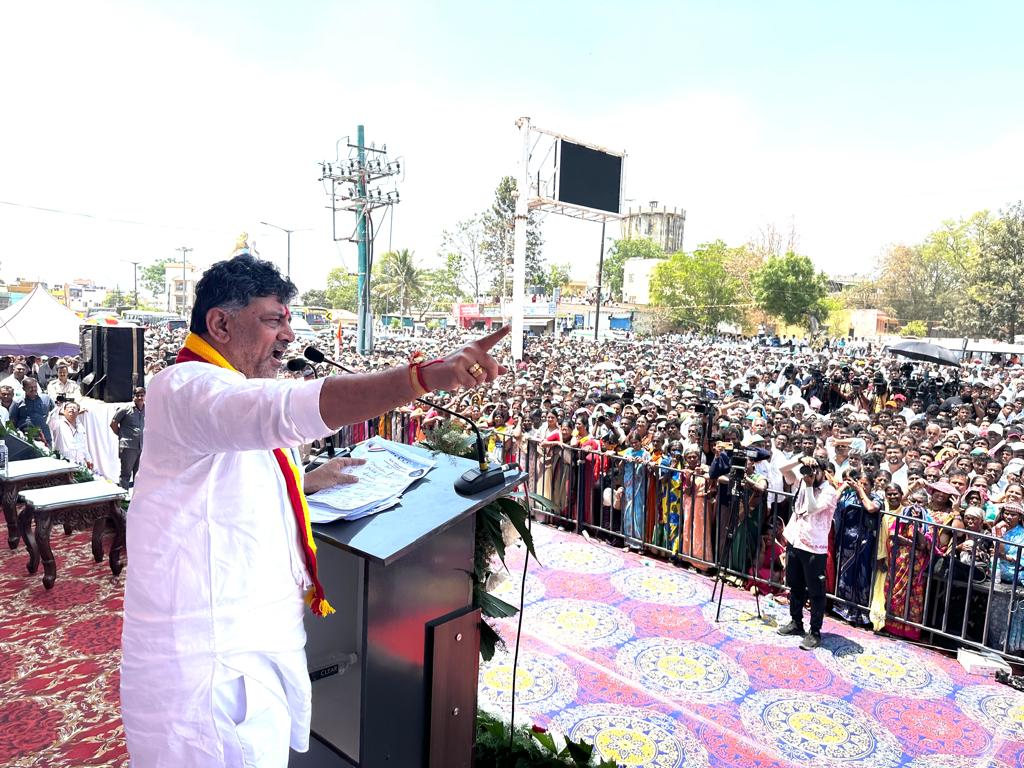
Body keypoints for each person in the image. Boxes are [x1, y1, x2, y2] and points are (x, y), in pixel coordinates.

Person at [120, 253, 509, 768]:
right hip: (211, 671)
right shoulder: (188, 388)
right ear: (220, 323)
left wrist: (303, 481)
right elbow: (284, 411)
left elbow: (222, 490)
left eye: (288, 319)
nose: (287, 335)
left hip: (243, 651)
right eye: (271, 320)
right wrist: (423, 377)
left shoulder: (224, 391)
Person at [777, 455, 838, 650]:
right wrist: (800, 460)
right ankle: (796, 622)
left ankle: (815, 632)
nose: (811, 473)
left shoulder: (829, 492)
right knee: (795, 585)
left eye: (815, 470)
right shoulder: (804, 481)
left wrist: (810, 484)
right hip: (795, 541)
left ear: (824, 472)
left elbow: (812, 508)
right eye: (810, 470)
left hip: (814, 548)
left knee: (815, 592)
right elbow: (782, 470)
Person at [110, 387, 146, 489]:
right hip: (128, 446)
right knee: (125, 474)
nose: (139, 397)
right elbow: (113, 423)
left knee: (139, 475)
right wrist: (122, 435)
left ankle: (137, 500)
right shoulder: (125, 409)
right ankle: (123, 500)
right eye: (137, 395)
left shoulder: (147, 409)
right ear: (133, 397)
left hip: (142, 446)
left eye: (142, 395)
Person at [9, 377, 53, 445]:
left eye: (35, 386)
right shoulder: (17, 402)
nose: (33, 389)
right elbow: (12, 421)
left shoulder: (46, 398)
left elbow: (55, 413)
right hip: (26, 438)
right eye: (30, 387)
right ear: (23, 388)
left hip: (45, 436)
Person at [53, 400, 93, 469]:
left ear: (78, 412)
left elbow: (84, 445)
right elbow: (50, 418)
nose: (72, 409)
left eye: (74, 408)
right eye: (69, 407)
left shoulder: (80, 427)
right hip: (63, 464)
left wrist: (88, 459)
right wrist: (58, 407)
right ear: (64, 411)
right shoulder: (57, 424)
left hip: (80, 464)